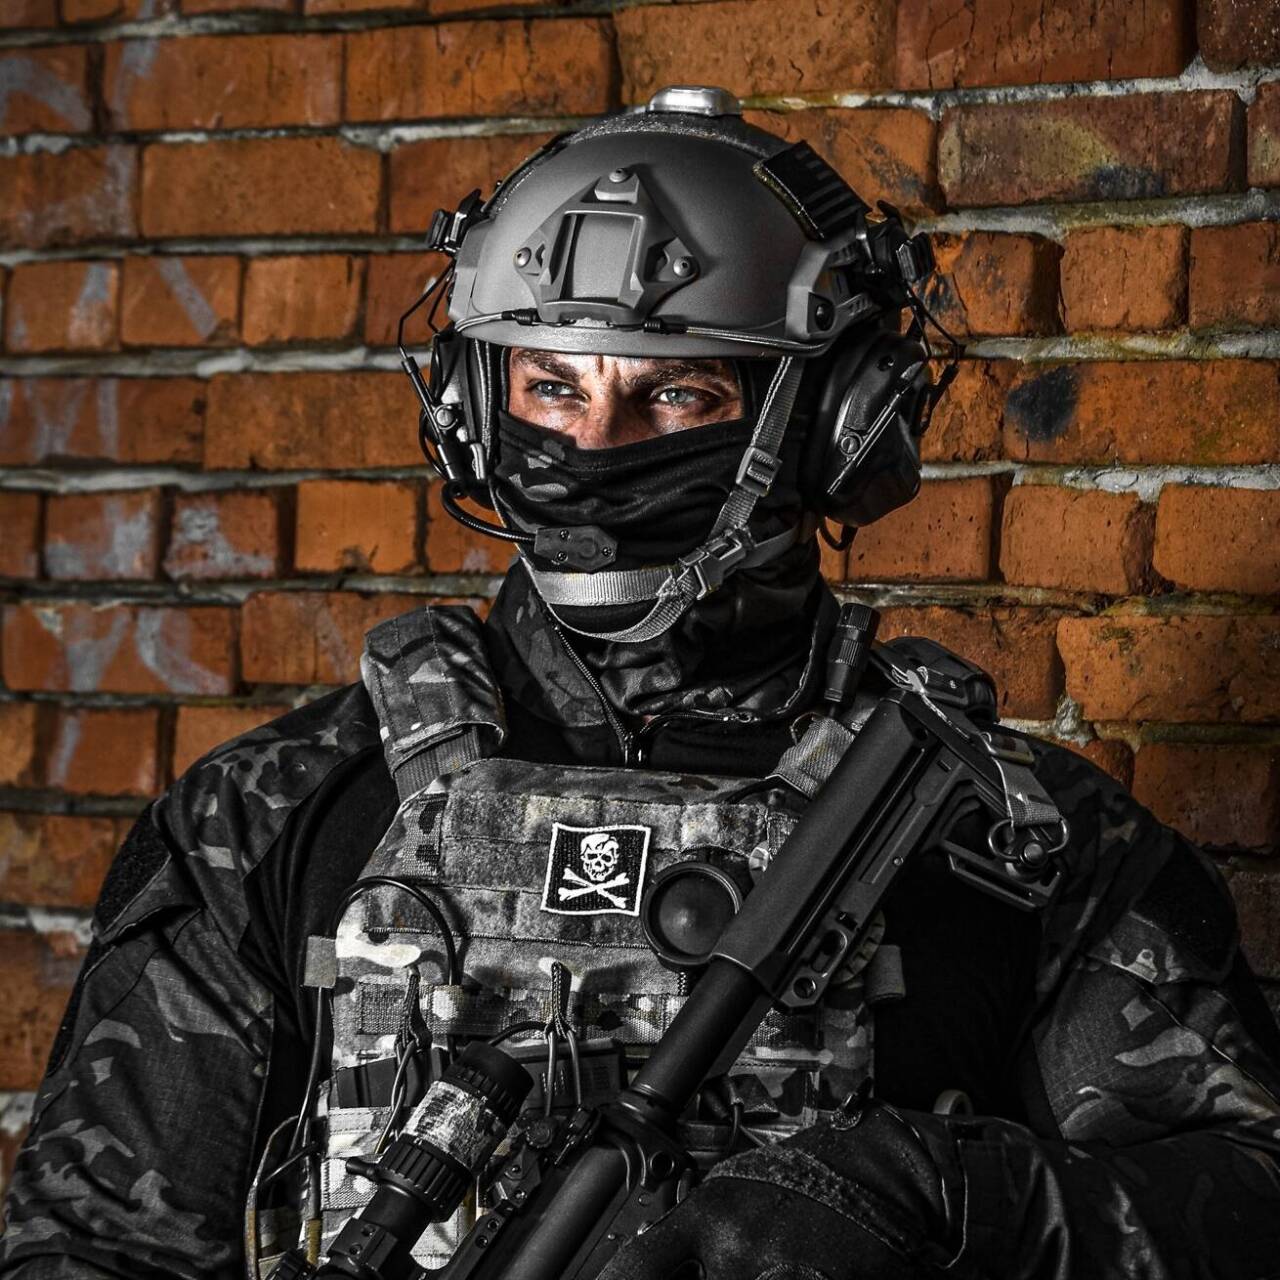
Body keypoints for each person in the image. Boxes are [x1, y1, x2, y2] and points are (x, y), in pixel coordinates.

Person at [3, 85, 1280, 1280]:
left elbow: (1247, 1195)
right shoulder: (275, 816)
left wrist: (939, 1197)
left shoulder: (1006, 837)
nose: (589, 451)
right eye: (549, 387)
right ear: (469, 409)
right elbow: (88, 1248)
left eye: (673, 391)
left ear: (835, 426)